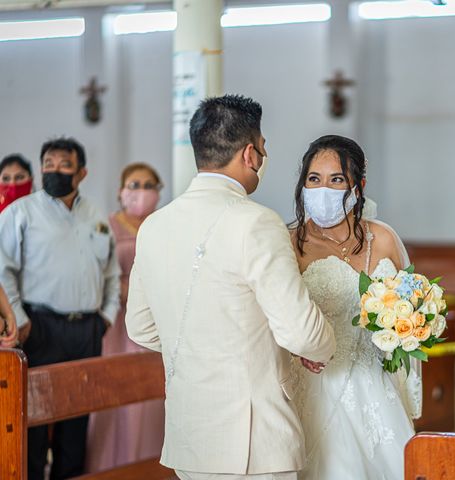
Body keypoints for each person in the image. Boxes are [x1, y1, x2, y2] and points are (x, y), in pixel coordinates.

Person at [125, 94, 336, 480]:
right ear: (251, 154)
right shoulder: (256, 222)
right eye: (264, 147)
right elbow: (302, 331)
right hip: (253, 442)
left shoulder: (154, 225)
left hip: (189, 436)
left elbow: (140, 327)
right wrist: (323, 348)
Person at [289, 135, 421, 480]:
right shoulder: (290, 243)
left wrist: (408, 324)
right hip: (317, 381)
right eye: (313, 179)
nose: (323, 190)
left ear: (358, 187)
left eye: (336, 180)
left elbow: (413, 303)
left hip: (375, 382)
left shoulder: (384, 238)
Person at [0, 137, 120, 480]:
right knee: (35, 422)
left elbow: (111, 271)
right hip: (40, 327)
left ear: (81, 172)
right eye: (48, 164)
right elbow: (1, 270)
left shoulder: (95, 214)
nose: (54, 171)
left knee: (77, 419)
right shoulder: (20, 213)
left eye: (63, 165)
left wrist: (106, 316)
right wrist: (20, 320)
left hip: (87, 329)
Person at [86, 163, 165, 472]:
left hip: (156, 320)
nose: (141, 191)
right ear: (121, 191)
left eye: (148, 185)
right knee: (115, 392)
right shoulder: (107, 226)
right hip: (118, 322)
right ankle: (111, 466)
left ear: (158, 192)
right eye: (134, 184)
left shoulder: (163, 224)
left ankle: (150, 466)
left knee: (152, 396)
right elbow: (98, 273)